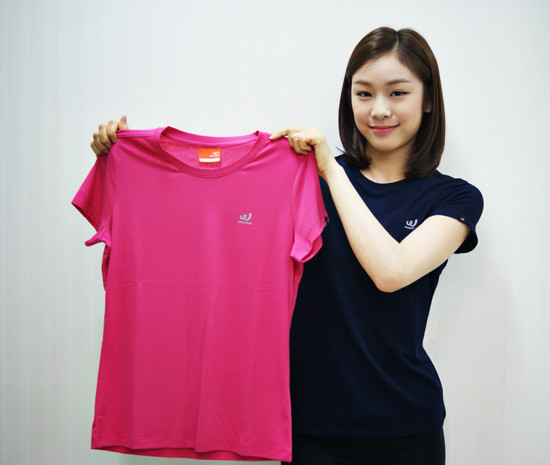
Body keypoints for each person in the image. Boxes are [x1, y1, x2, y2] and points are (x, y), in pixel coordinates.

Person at [91, 27, 483, 465]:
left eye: (397, 93)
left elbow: (391, 272)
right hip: (308, 427)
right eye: (364, 93)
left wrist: (330, 172)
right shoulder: (300, 181)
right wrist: (130, 161)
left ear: (428, 100)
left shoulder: (454, 198)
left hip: (407, 427)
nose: (379, 109)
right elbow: (210, 223)